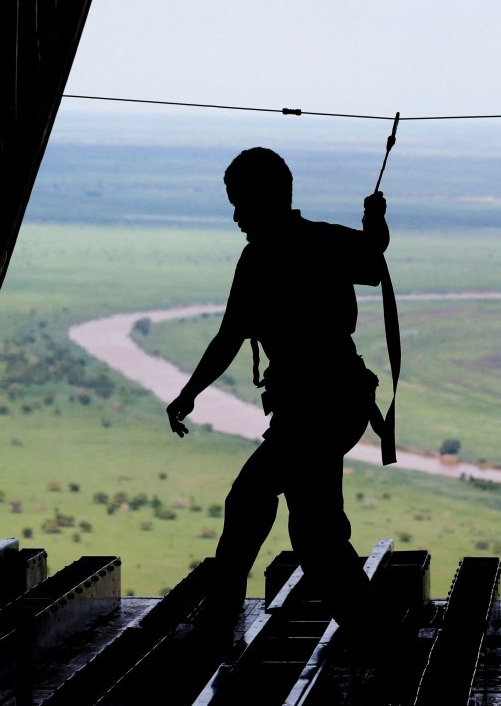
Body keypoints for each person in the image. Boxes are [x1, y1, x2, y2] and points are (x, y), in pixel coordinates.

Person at [165, 146, 398, 639]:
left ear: (269, 199)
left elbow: (229, 336)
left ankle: (369, 632)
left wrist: (190, 393)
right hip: (330, 406)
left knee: (281, 514)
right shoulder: (323, 242)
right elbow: (374, 255)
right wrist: (373, 219)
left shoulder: (262, 259)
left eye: (242, 203)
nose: (235, 216)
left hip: (317, 409)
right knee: (310, 525)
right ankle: (372, 630)